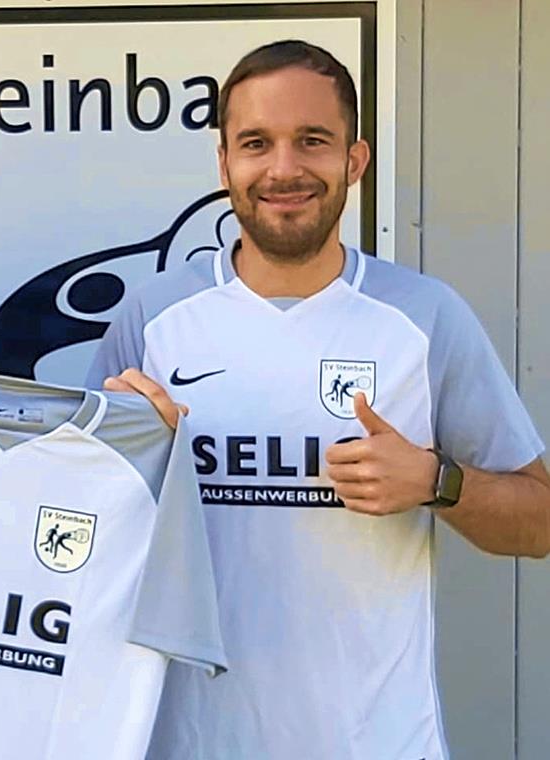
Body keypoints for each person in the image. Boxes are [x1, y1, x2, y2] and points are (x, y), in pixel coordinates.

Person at [88, 40, 550, 760]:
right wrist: (137, 467)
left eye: (312, 141)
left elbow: (539, 522)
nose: (283, 169)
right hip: (181, 743)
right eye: (255, 143)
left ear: (355, 161)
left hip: (374, 743)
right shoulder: (152, 322)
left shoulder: (423, 320)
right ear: (223, 164)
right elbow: (75, 539)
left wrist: (436, 481)